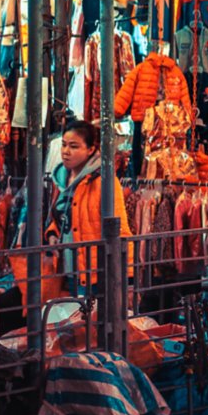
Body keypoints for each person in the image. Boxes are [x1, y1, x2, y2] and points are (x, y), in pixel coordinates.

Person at [55, 120, 133, 289]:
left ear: (90, 149)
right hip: (64, 268)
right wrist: (52, 234)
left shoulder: (104, 182)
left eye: (74, 146)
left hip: (94, 273)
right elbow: (58, 216)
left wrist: (128, 275)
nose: (66, 152)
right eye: (64, 145)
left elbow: (121, 228)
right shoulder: (59, 179)